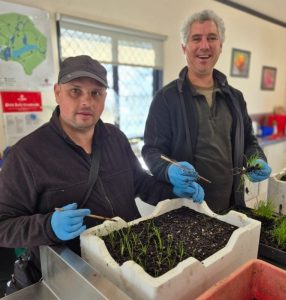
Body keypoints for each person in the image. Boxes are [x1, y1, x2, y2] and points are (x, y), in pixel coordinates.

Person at [0, 55, 204, 290]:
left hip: (132, 265)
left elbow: (141, 184)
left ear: (104, 97)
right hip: (75, 276)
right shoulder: (27, 154)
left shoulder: (115, 137)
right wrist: (48, 226)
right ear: (57, 93)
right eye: (75, 91)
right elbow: (4, 226)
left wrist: (174, 190)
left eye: (96, 93)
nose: (87, 101)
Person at [142, 10, 271, 213]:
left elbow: (249, 141)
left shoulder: (236, 98)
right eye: (196, 38)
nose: (204, 45)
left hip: (231, 206)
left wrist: (258, 160)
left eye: (212, 38)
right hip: (185, 207)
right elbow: (151, 151)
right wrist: (168, 170)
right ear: (184, 47)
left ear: (220, 46)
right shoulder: (166, 98)